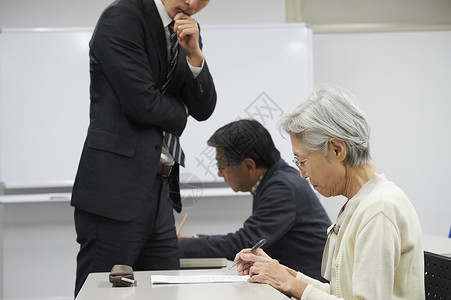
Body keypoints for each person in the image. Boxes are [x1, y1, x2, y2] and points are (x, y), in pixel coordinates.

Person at [71, 0, 216, 296]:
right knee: (104, 292)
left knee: (164, 290)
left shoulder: (187, 29)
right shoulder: (123, 17)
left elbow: (203, 108)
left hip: (160, 188)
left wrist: (195, 56)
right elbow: (143, 105)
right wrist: (182, 110)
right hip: (115, 190)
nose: (192, 2)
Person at [234, 85, 424, 299]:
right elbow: (342, 293)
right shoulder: (361, 202)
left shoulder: (379, 209)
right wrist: (279, 272)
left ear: (337, 149)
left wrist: (288, 282)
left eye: (302, 161)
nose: (302, 174)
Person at [178, 119, 331, 281]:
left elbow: (244, 243)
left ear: (249, 166)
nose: (219, 174)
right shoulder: (276, 179)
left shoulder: (282, 187)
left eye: (221, 165)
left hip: (310, 286)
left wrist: (176, 245)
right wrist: (193, 240)